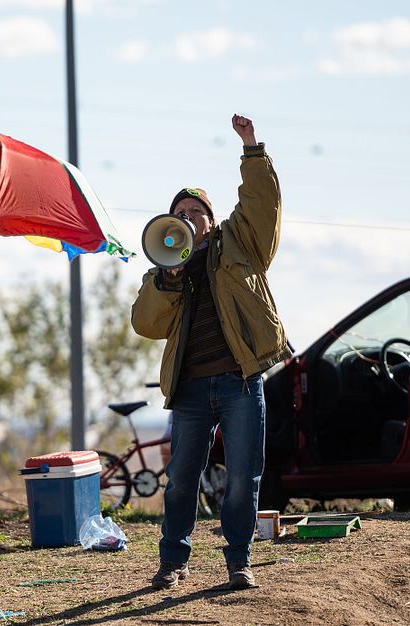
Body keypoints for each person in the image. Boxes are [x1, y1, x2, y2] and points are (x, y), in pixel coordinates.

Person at [131, 114, 289, 591]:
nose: (186, 219)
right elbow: (145, 323)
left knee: (243, 477)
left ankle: (238, 561)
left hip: (240, 381)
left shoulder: (239, 243)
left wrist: (252, 150)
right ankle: (172, 561)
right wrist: (168, 281)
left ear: (211, 221)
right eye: (178, 213)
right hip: (192, 391)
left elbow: (262, 205)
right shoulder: (162, 273)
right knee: (181, 480)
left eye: (194, 212)